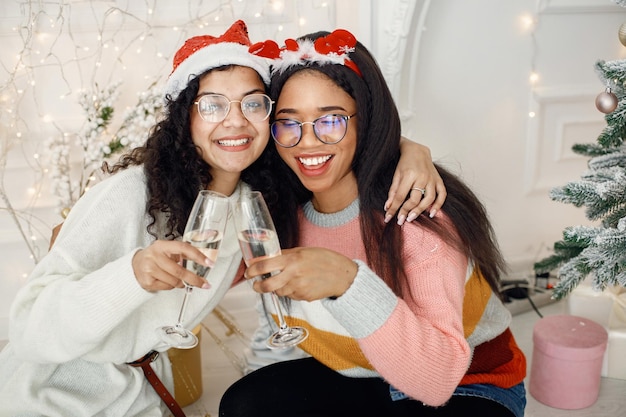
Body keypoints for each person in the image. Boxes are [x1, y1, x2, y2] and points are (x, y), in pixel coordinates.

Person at [0, 21, 444, 416]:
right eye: (212, 105)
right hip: (46, 394)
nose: (235, 122)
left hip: (135, 394)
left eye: (253, 104)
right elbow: (27, 332)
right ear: (185, 119)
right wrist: (131, 275)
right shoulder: (129, 193)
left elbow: (330, 134)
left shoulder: (258, 205)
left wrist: (409, 150)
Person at [219, 29, 527, 417]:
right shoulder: (273, 216)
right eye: (288, 123)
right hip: (366, 375)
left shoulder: (416, 212)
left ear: (365, 121)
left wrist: (348, 282)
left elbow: (438, 379)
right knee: (244, 405)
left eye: (330, 120)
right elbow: (204, 275)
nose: (307, 142)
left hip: (470, 386)